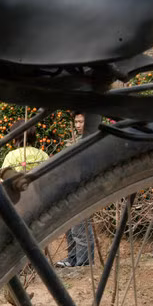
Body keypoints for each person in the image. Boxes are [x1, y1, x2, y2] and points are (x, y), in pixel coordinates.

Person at [56, 113, 95, 268]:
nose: (78, 125)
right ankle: (72, 259)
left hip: (83, 188)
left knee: (81, 226)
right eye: (76, 122)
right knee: (70, 227)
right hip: (71, 189)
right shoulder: (74, 142)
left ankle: (84, 263)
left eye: (81, 122)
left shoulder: (92, 140)